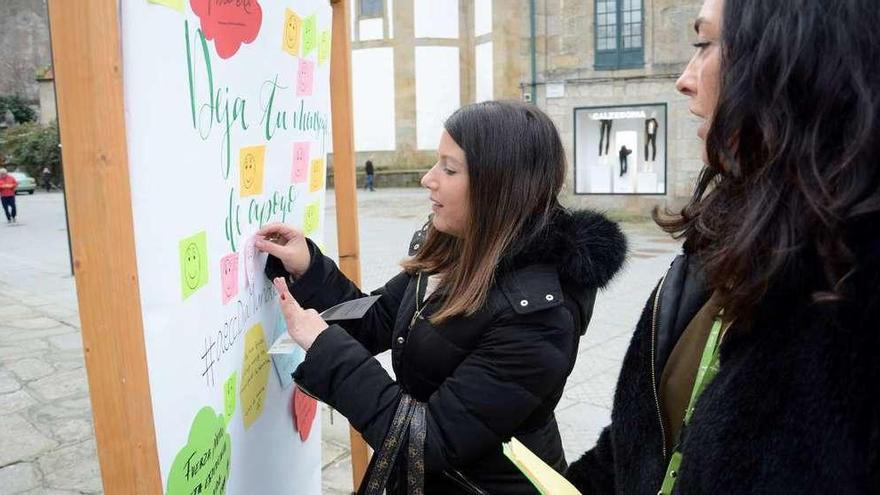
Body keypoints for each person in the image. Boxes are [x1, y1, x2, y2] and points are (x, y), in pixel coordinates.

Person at [566, 0, 880, 493]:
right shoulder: (722, 239)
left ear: (798, 61)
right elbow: (643, 433)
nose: (684, 79)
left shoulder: (851, 305)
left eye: (704, 44)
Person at [257, 101, 627, 494]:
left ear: (498, 186)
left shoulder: (538, 317)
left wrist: (325, 348)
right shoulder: (457, 247)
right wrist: (308, 266)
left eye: (449, 169)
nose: (427, 179)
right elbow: (377, 320)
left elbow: (426, 443)